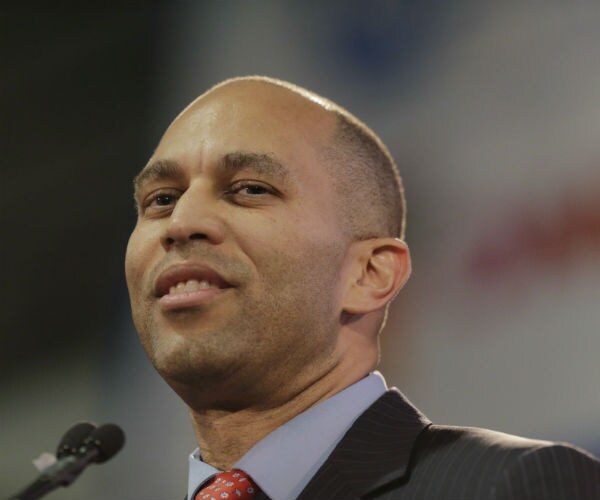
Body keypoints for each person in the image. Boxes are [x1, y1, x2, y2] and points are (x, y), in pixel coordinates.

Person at [125, 76, 600, 500]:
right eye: (161, 199)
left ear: (370, 275)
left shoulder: (508, 485)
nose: (181, 222)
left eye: (250, 189)